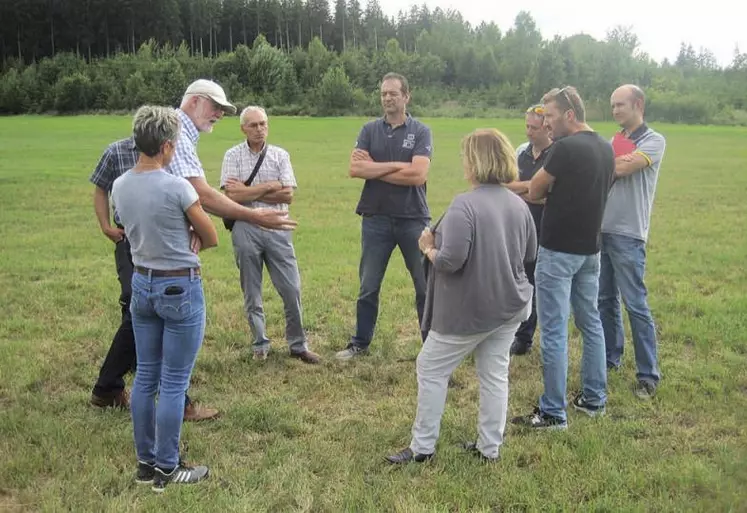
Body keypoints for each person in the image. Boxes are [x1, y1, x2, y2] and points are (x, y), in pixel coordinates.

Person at [385, 128, 536, 464]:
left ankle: (422, 447)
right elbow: (529, 252)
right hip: (511, 305)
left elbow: (451, 261)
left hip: (471, 310)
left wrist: (428, 249)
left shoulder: (464, 205)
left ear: (475, 162)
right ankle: (489, 448)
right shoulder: (518, 203)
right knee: (495, 373)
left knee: (430, 367)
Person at [112, 105, 218, 491]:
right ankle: (168, 468)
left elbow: (126, 226)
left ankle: (145, 465)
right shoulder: (178, 186)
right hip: (180, 286)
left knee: (145, 379)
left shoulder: (121, 185)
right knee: (174, 382)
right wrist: (190, 236)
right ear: (168, 146)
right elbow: (211, 236)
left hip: (142, 283)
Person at [512, 86, 615, 430]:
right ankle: (593, 399)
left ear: (569, 115)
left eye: (551, 116)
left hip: (557, 251)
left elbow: (535, 190)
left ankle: (553, 412)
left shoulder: (564, 148)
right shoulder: (605, 147)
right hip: (591, 251)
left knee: (554, 330)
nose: (547, 123)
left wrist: (550, 194)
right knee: (591, 324)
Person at [89, 137, 206, 420]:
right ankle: (174, 400)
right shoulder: (115, 151)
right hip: (132, 240)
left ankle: (110, 387)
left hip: (165, 242)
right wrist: (106, 226)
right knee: (142, 306)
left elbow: (182, 200)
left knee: (142, 310)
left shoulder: (174, 153)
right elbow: (100, 187)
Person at [336, 72, 433, 360]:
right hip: (375, 218)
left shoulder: (421, 131)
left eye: (393, 93)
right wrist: (396, 168)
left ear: (406, 96)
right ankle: (360, 343)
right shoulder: (368, 130)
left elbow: (418, 175)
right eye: (383, 94)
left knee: (425, 287)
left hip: (413, 218)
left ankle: (432, 349)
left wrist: (377, 167)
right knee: (368, 286)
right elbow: (355, 170)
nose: (387, 98)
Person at [220, 106, 320, 364]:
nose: (259, 129)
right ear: (243, 128)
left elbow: (287, 195)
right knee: (251, 291)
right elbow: (231, 196)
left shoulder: (280, 155)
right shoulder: (232, 156)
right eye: (253, 125)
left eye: (263, 124)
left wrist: (249, 190)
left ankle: (298, 345)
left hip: (278, 226)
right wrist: (269, 186)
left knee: (291, 288)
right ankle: (260, 344)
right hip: (245, 227)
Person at [600, 84, 666, 399]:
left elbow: (623, 167)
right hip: (602, 231)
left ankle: (648, 374)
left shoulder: (654, 141)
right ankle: (610, 359)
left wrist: (601, 163)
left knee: (635, 304)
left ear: (638, 104)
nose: (615, 111)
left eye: (620, 105)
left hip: (629, 235)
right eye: (613, 106)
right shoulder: (613, 140)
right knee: (605, 301)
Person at [505, 104, 553, 356]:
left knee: (538, 286)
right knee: (519, 280)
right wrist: (532, 187)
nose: (529, 132)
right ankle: (519, 335)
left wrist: (526, 191)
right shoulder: (521, 152)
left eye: (534, 128)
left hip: (546, 229)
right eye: (527, 126)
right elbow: (505, 184)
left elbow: (551, 197)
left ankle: (528, 338)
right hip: (518, 229)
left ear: (548, 127)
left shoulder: (556, 153)